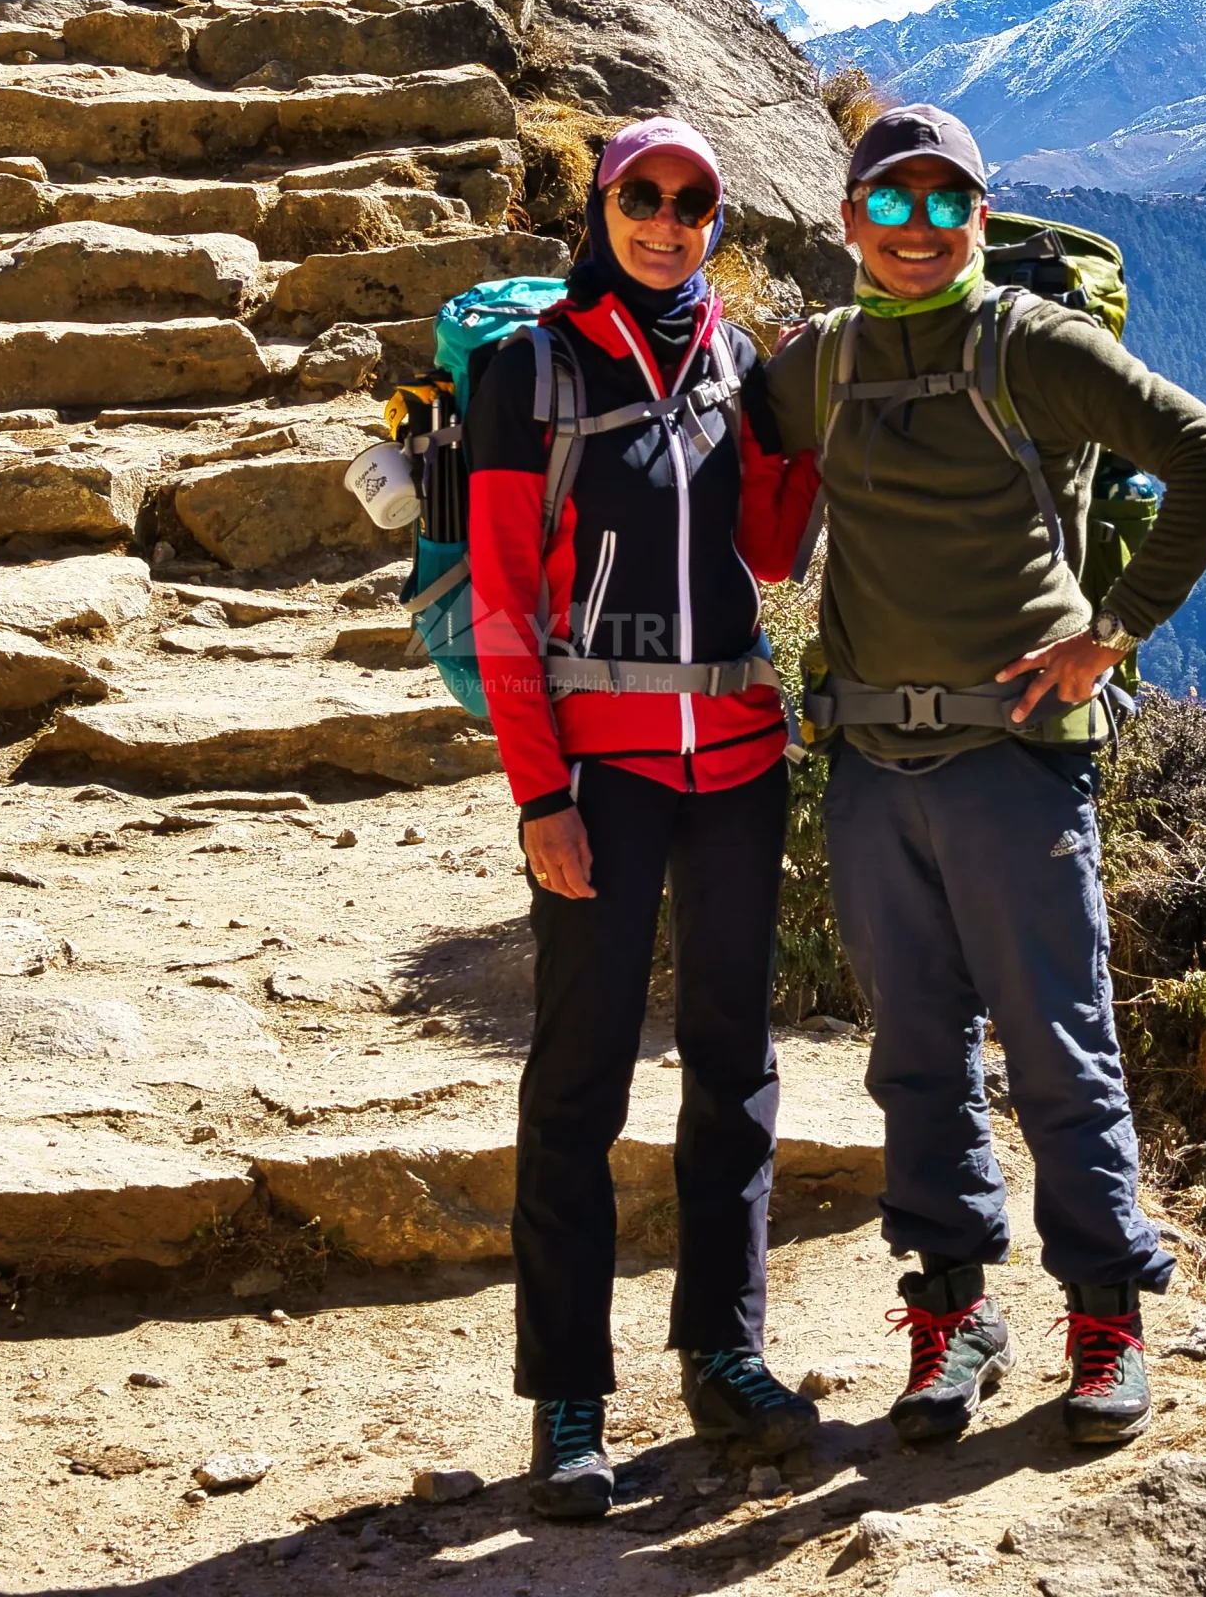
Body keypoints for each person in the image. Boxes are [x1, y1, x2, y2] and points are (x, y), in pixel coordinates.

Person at [765, 104, 1206, 1447]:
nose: (917, 228)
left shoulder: (1032, 346)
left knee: (1057, 1048)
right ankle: (950, 1319)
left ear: (977, 219)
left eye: (944, 205)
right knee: (913, 1056)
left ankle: (1103, 1323)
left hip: (1013, 760)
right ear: (852, 218)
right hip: (871, 761)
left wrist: (1111, 633)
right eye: (891, 202)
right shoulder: (815, 362)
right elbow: (708, 448)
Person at [466, 115, 821, 1520]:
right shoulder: (530, 370)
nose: (667, 222)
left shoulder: (734, 363)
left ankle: (723, 1353)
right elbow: (500, 596)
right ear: (603, 207)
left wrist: (790, 426)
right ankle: (568, 1398)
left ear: (716, 223)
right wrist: (538, 793)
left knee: (733, 1069)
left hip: (735, 760)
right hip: (599, 778)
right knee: (579, 1080)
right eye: (644, 199)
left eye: (691, 204)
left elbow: (774, 555)